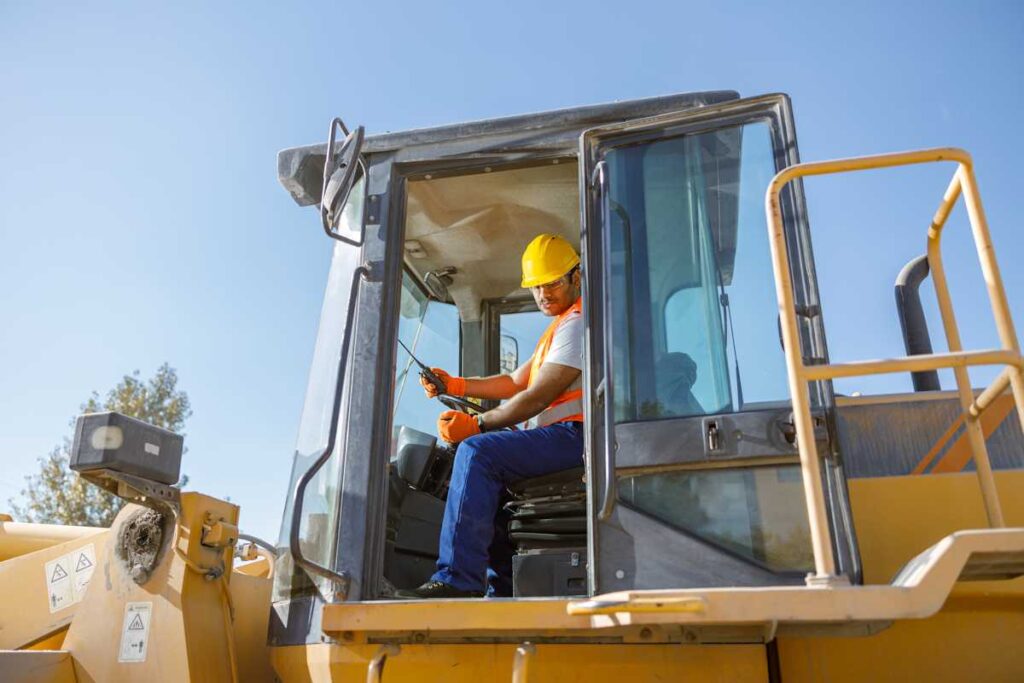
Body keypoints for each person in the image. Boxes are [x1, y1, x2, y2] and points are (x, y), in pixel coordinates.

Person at [399, 233, 585, 598]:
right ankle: (504, 590)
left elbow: (536, 397)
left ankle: (456, 580)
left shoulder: (578, 323)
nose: (543, 294)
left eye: (552, 284)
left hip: (575, 438)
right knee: (492, 477)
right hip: (563, 437)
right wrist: (455, 385)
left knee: (477, 453)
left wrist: (478, 425)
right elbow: (515, 381)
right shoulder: (561, 326)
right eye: (536, 288)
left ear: (575, 277)